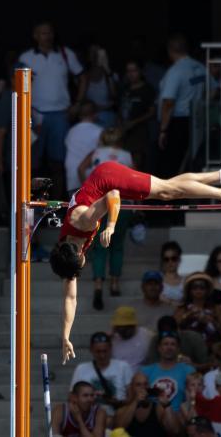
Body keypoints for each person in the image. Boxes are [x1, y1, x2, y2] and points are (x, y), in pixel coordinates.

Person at [52, 160, 221, 362]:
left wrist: (110, 226)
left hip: (109, 178)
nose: (83, 268)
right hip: (103, 182)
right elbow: (70, 298)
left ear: (78, 254)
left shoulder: (83, 221)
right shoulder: (67, 251)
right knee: (169, 188)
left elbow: (113, 195)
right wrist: (66, 336)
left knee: (167, 191)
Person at [18, 21, 86, 195]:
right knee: (33, 163)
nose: (47, 36)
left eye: (49, 33)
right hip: (35, 114)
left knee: (59, 162)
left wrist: (77, 103)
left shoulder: (65, 54)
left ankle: (59, 206)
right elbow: (17, 86)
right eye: (42, 33)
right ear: (35, 36)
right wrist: (27, 110)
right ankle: (36, 206)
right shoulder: (26, 58)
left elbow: (83, 77)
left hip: (60, 115)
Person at [78, 127, 134, 308]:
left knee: (100, 247)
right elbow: (134, 179)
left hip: (99, 203)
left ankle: (98, 284)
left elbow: (81, 168)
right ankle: (115, 282)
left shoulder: (95, 153)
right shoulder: (126, 155)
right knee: (117, 245)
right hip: (122, 204)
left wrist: (87, 186)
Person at [156, 33, 209, 177]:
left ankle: (173, 198)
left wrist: (163, 130)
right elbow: (214, 89)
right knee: (190, 163)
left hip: (177, 123)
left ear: (170, 50)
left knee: (173, 164)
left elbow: (168, 102)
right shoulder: (200, 67)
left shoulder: (176, 71)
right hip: (196, 121)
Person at [69, 332, 133, 418]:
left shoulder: (123, 367)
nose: (102, 355)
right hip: (89, 418)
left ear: (111, 348)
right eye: (98, 352)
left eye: (105, 351)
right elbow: (72, 398)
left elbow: (132, 397)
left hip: (117, 416)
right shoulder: (81, 369)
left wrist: (118, 403)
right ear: (91, 350)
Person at [139, 329, 196, 410]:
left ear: (178, 349)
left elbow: (194, 398)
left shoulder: (188, 370)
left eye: (173, 344)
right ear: (159, 348)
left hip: (178, 418)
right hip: (151, 418)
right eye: (165, 344)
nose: (169, 347)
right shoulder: (145, 371)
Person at [117, 58, 156, 170]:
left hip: (139, 131)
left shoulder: (147, 90)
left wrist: (134, 122)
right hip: (123, 131)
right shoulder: (124, 89)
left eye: (134, 71)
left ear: (140, 71)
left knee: (135, 164)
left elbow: (152, 112)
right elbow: (119, 108)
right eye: (128, 71)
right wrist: (120, 124)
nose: (131, 74)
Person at [113, 371, 179, 436]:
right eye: (138, 385)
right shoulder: (122, 410)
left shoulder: (158, 408)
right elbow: (119, 430)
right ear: (132, 388)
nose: (143, 388)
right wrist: (135, 402)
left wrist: (167, 405)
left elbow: (175, 431)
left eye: (145, 384)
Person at [174, 272, 221, 347]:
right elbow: (175, 328)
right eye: (194, 287)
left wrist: (211, 321)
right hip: (188, 345)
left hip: (213, 346)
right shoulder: (182, 308)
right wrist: (188, 316)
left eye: (202, 287)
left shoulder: (216, 308)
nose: (198, 290)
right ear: (189, 290)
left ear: (207, 290)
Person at [64, 100, 103, 194]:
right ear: (95, 114)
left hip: (72, 179)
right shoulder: (100, 132)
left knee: (75, 208)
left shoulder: (71, 131)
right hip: (92, 181)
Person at [109, 307, 151, 374]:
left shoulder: (147, 335)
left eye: (125, 328)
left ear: (133, 325)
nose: (121, 330)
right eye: (119, 327)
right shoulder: (111, 339)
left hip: (141, 378)